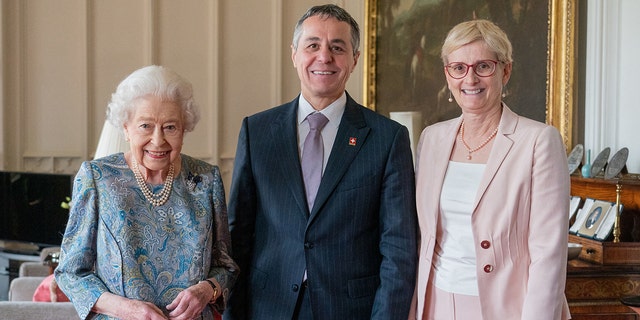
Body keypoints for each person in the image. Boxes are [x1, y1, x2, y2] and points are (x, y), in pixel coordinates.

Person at [225, 4, 417, 320]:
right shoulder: (257, 132)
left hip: (351, 310)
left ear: (355, 59)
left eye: (337, 48)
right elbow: (238, 237)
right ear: (295, 55)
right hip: (267, 307)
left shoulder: (387, 138)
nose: (324, 57)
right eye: (312, 45)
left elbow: (398, 251)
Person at [409, 19, 571, 319]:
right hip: (435, 303)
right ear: (448, 75)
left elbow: (548, 255)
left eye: (483, 66)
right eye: (459, 68)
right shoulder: (432, 139)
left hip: (507, 307)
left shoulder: (538, 141)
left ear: (505, 70)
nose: (470, 79)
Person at [55, 65, 239, 320]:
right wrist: (124, 308)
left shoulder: (206, 179)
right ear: (126, 128)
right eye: (145, 126)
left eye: (170, 127)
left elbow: (226, 267)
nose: (157, 140)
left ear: (184, 129)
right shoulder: (98, 178)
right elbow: (70, 273)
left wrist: (207, 290)